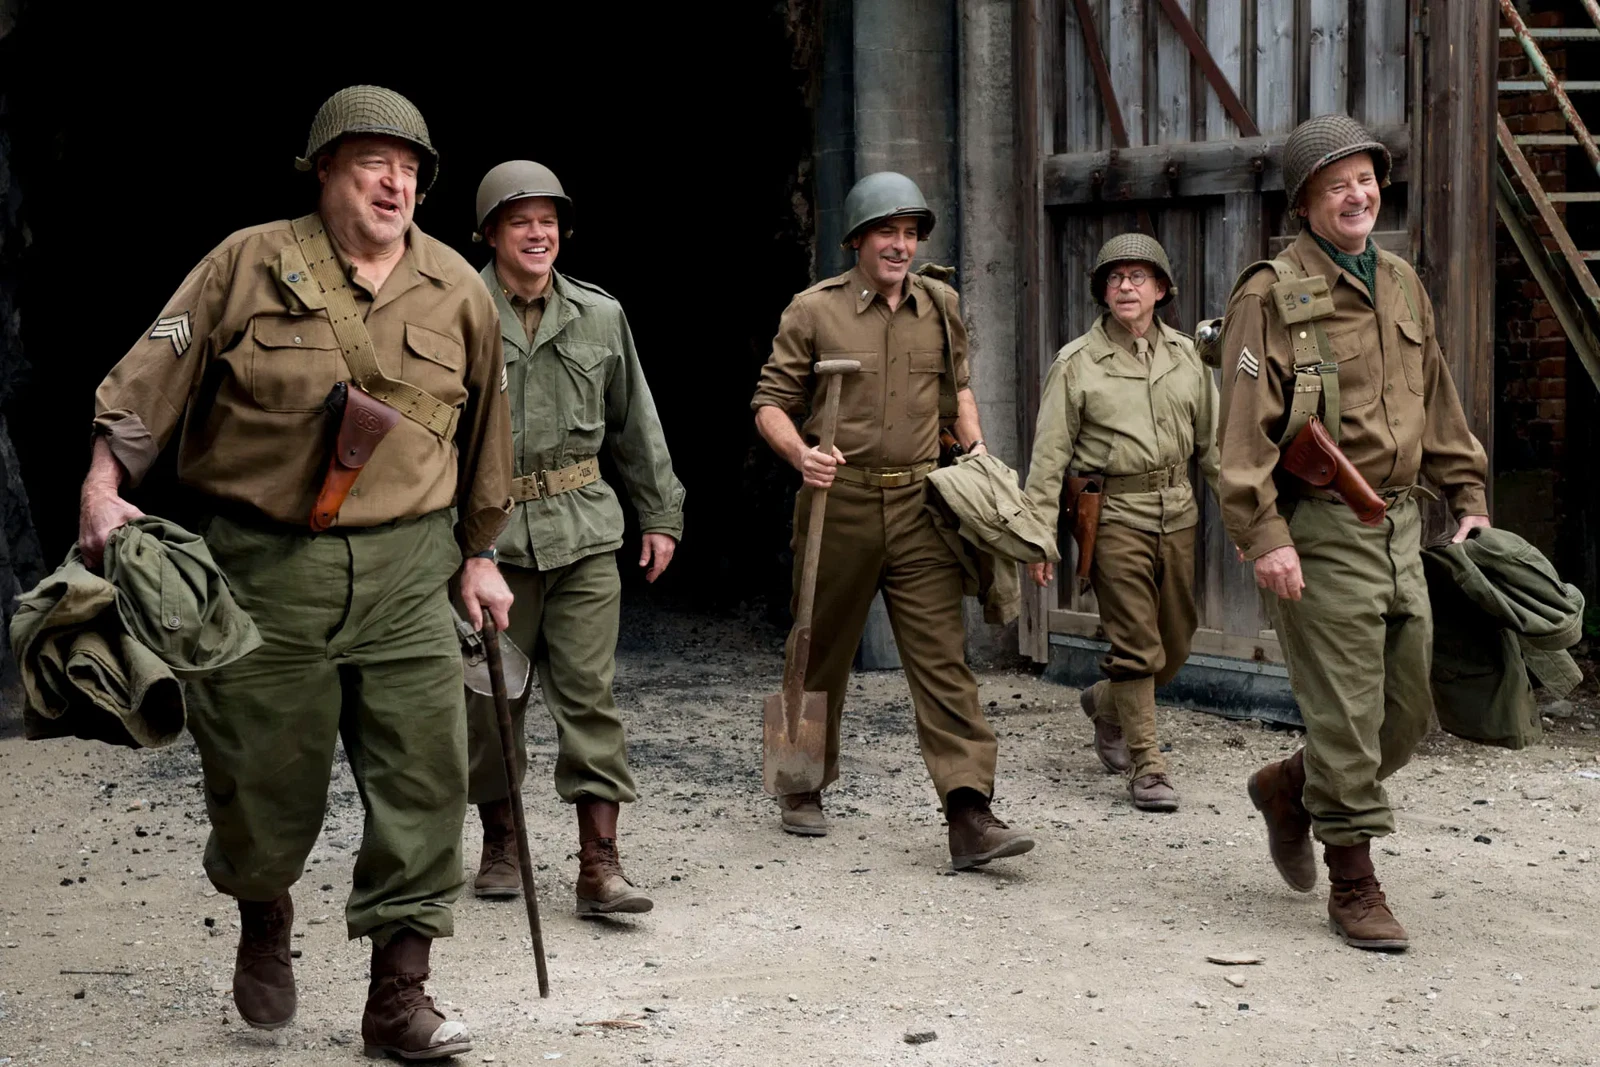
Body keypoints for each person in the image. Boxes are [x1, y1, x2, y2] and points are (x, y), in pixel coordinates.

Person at [80, 85, 513, 1058]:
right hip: (264, 567)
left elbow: (489, 433)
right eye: (373, 162)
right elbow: (150, 378)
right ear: (324, 169)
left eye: (409, 168)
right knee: (259, 778)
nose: (395, 181)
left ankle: (399, 996)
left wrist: (479, 554)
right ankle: (261, 903)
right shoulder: (245, 263)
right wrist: (106, 488)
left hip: (409, 567)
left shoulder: (459, 289)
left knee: (426, 774)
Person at [1218, 114, 1490, 951]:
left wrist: (1467, 488)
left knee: (1403, 715)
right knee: (1343, 711)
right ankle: (1355, 881)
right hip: (1324, 526)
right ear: (1304, 202)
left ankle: (1291, 787)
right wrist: (1266, 536)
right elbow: (1239, 434)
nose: (1357, 195)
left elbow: (1433, 395)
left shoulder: (1402, 281)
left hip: (1402, 523)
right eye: (1337, 184)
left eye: (1366, 179)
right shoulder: (1270, 294)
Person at [751, 171, 1035, 870]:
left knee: (943, 660)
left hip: (919, 505)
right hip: (836, 504)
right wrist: (802, 453)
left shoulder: (940, 304)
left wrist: (974, 451)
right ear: (857, 240)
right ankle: (800, 782)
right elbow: (769, 403)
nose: (900, 245)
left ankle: (969, 810)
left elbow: (958, 388)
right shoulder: (814, 312)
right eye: (887, 232)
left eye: (910, 234)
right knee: (819, 650)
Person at [463, 160, 684, 916]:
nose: (537, 232)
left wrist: (660, 514)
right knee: (492, 701)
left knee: (589, 696)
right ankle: (501, 839)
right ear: (491, 231)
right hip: (491, 544)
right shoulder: (456, 311)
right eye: (520, 219)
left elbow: (635, 422)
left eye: (548, 220)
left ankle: (600, 863)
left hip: (585, 532)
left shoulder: (598, 315)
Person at [1022, 233, 1219, 812]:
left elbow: (1214, 449)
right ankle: (1149, 765)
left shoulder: (1188, 356)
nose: (1125, 286)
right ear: (1102, 294)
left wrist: (1252, 527)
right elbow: (1049, 456)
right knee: (1137, 645)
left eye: (1138, 277)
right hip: (1112, 518)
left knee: (1175, 643)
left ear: (1160, 290)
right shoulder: (1076, 364)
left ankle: (1106, 702)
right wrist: (1036, 537)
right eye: (1114, 278)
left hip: (1178, 512)